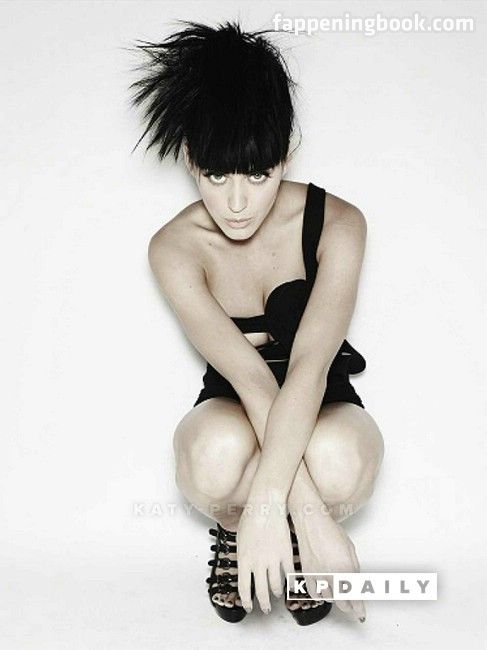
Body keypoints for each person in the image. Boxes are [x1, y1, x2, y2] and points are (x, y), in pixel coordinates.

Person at [128, 19, 384, 626]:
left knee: (340, 459)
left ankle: (290, 533)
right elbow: (249, 379)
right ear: (189, 158)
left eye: (259, 174)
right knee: (213, 456)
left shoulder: (339, 223)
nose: (237, 203)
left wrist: (292, 509)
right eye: (216, 176)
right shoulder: (174, 248)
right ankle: (243, 529)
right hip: (235, 400)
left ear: (286, 156)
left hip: (319, 397)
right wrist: (284, 509)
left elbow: (309, 368)